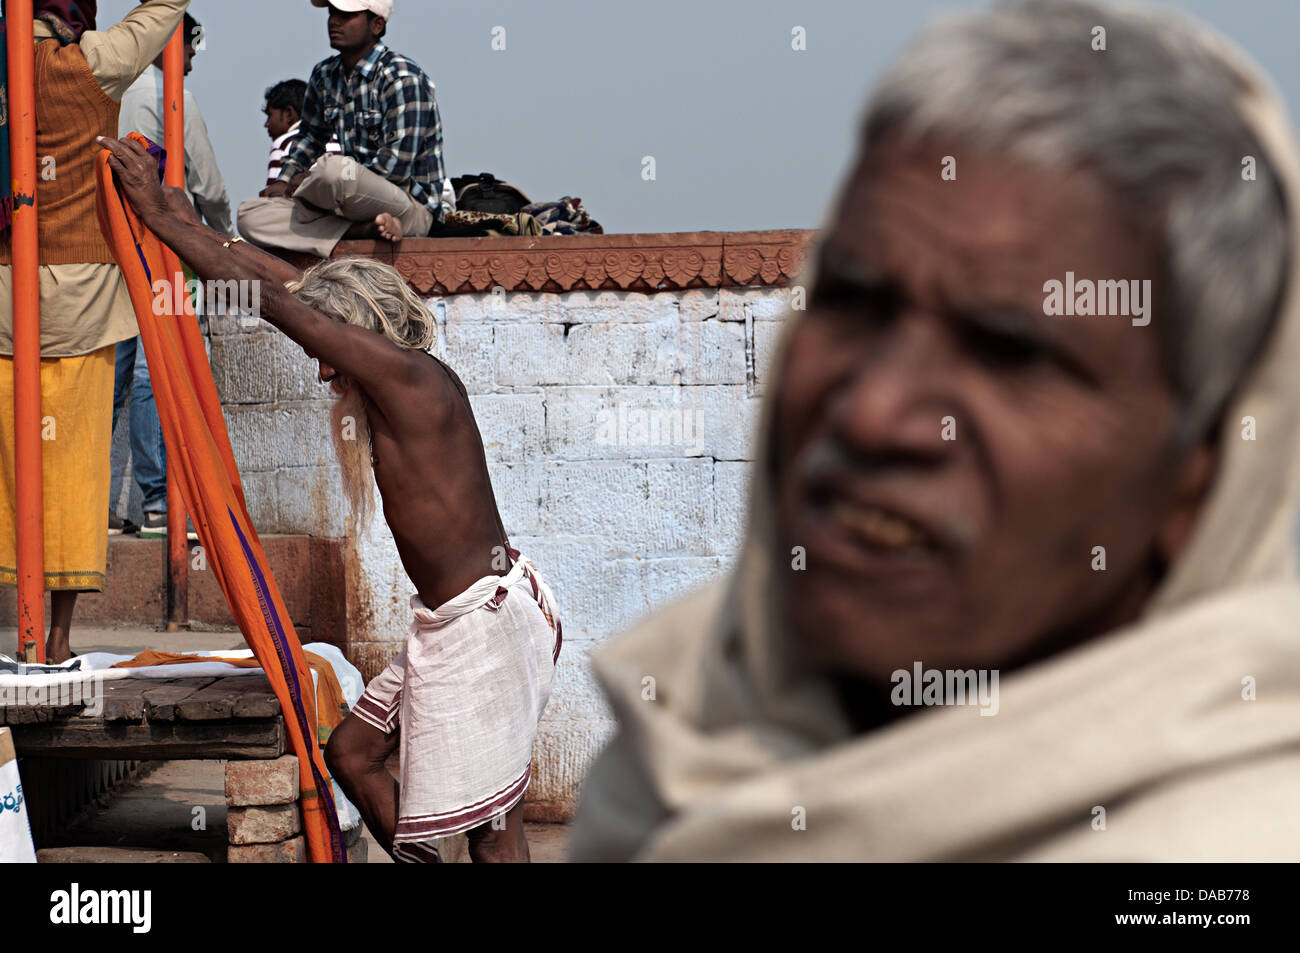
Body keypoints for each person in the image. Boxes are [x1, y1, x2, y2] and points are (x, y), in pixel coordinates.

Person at [569, 0, 1300, 861]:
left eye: (1010, 351)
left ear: (1200, 479)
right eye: (850, 301)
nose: (873, 411)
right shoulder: (671, 751)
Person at [102, 134, 561, 863]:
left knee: (492, 828)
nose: (321, 373)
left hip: (485, 627)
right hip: (457, 620)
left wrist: (162, 219)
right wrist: (191, 227)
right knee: (352, 753)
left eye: (327, 351)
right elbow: (278, 283)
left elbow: (272, 303)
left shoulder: (403, 375)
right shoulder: (399, 373)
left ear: (355, 330)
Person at [0, 0, 191, 662]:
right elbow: (166, 7)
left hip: (5, 294)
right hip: (83, 294)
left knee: (10, 470)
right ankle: (55, 638)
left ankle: (18, 630)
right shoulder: (98, 62)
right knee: (76, 473)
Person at [112, 9, 230, 539]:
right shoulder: (169, 95)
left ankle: (113, 504)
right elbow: (208, 185)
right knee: (152, 374)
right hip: (164, 246)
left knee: (114, 375)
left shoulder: (113, 86)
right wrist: (223, 242)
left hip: (110, 241)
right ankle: (160, 501)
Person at [237, 0, 447, 256]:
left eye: (346, 15)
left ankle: (341, 225)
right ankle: (358, 230)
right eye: (332, 12)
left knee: (334, 170)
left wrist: (303, 184)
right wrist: (284, 181)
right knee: (249, 214)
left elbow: (394, 169)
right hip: (345, 201)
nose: (334, 21)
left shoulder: (402, 77)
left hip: (407, 205)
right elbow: (309, 140)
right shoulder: (324, 74)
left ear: (377, 25)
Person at [263, 79, 342, 189]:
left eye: (270, 115)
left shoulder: (283, 143)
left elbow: (273, 195)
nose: (266, 124)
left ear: (289, 114)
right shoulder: (338, 138)